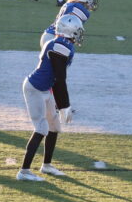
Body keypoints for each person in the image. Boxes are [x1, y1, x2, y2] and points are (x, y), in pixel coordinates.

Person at [15, 13, 84, 182]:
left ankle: (46, 165)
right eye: (77, 31)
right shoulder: (59, 46)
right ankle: (24, 171)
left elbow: (57, 78)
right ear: (69, 31)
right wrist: (64, 105)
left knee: (54, 126)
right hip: (35, 89)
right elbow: (60, 79)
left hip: (45, 88)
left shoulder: (62, 43)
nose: (79, 34)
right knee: (41, 128)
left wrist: (62, 105)